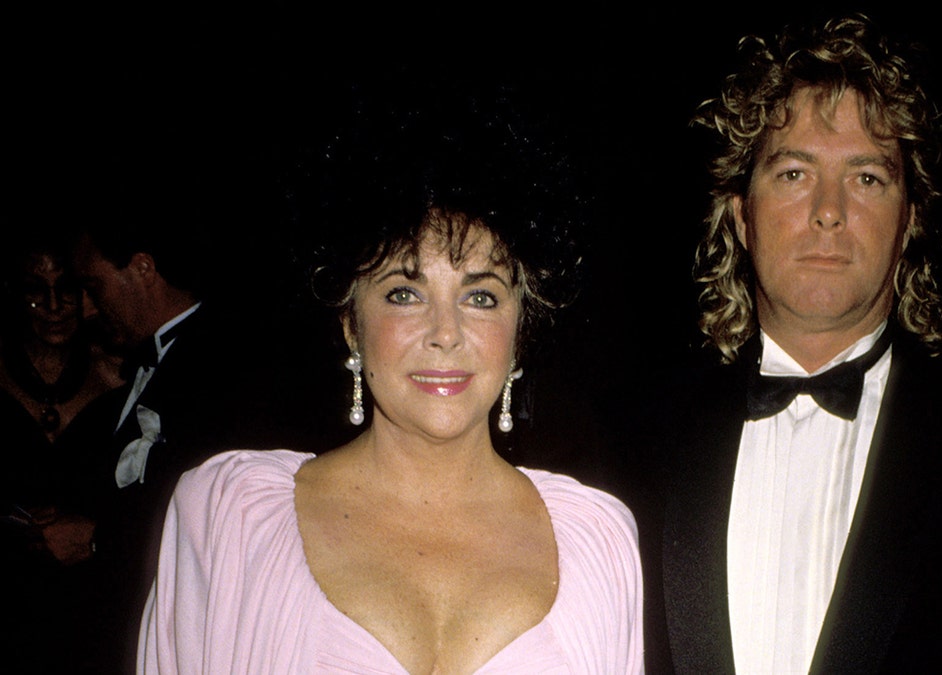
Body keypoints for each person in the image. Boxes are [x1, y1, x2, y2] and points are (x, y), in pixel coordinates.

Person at [136, 83, 644, 674]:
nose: (445, 332)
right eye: (405, 293)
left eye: (480, 296)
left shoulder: (599, 540)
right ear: (352, 324)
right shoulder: (232, 519)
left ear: (520, 330)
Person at [647, 13, 942, 673]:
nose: (829, 209)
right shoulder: (632, 445)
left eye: (866, 177)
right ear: (741, 215)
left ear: (910, 218)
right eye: (794, 173)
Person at [70, 177, 350, 672]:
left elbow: (220, 512)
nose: (87, 308)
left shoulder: (229, 364)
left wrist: (96, 539)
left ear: (142, 269)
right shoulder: (143, 363)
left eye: (93, 287)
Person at [0, 228, 124, 674]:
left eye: (66, 291)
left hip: (89, 612)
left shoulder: (121, 379)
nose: (53, 308)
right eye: (36, 292)